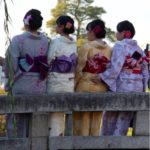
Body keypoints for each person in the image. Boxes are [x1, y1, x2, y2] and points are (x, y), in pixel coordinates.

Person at [96, 20, 149, 136]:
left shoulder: (120, 45)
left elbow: (116, 67)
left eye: (117, 31)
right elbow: (145, 72)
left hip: (122, 85)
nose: (116, 33)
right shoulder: (139, 49)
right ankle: (120, 144)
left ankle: (106, 144)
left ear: (124, 32)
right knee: (124, 119)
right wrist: (142, 88)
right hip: (137, 88)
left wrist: (102, 77)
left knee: (110, 117)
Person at [4, 9, 49, 137]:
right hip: (39, 86)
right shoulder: (45, 40)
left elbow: (11, 64)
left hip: (21, 85)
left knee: (16, 122)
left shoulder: (18, 40)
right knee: (35, 123)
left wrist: (8, 77)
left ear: (26, 23)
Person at [73, 19, 112, 136]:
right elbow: (111, 68)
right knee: (96, 118)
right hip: (101, 86)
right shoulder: (109, 49)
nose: (87, 34)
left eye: (88, 31)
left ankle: (80, 145)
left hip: (85, 84)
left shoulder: (87, 47)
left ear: (93, 32)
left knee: (82, 118)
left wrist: (74, 84)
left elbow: (79, 69)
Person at [47, 15, 77, 136]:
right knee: (63, 115)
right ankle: (60, 141)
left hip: (56, 81)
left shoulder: (56, 42)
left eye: (57, 25)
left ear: (60, 27)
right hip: (69, 82)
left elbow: (49, 60)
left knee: (54, 116)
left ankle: (54, 142)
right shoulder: (73, 44)